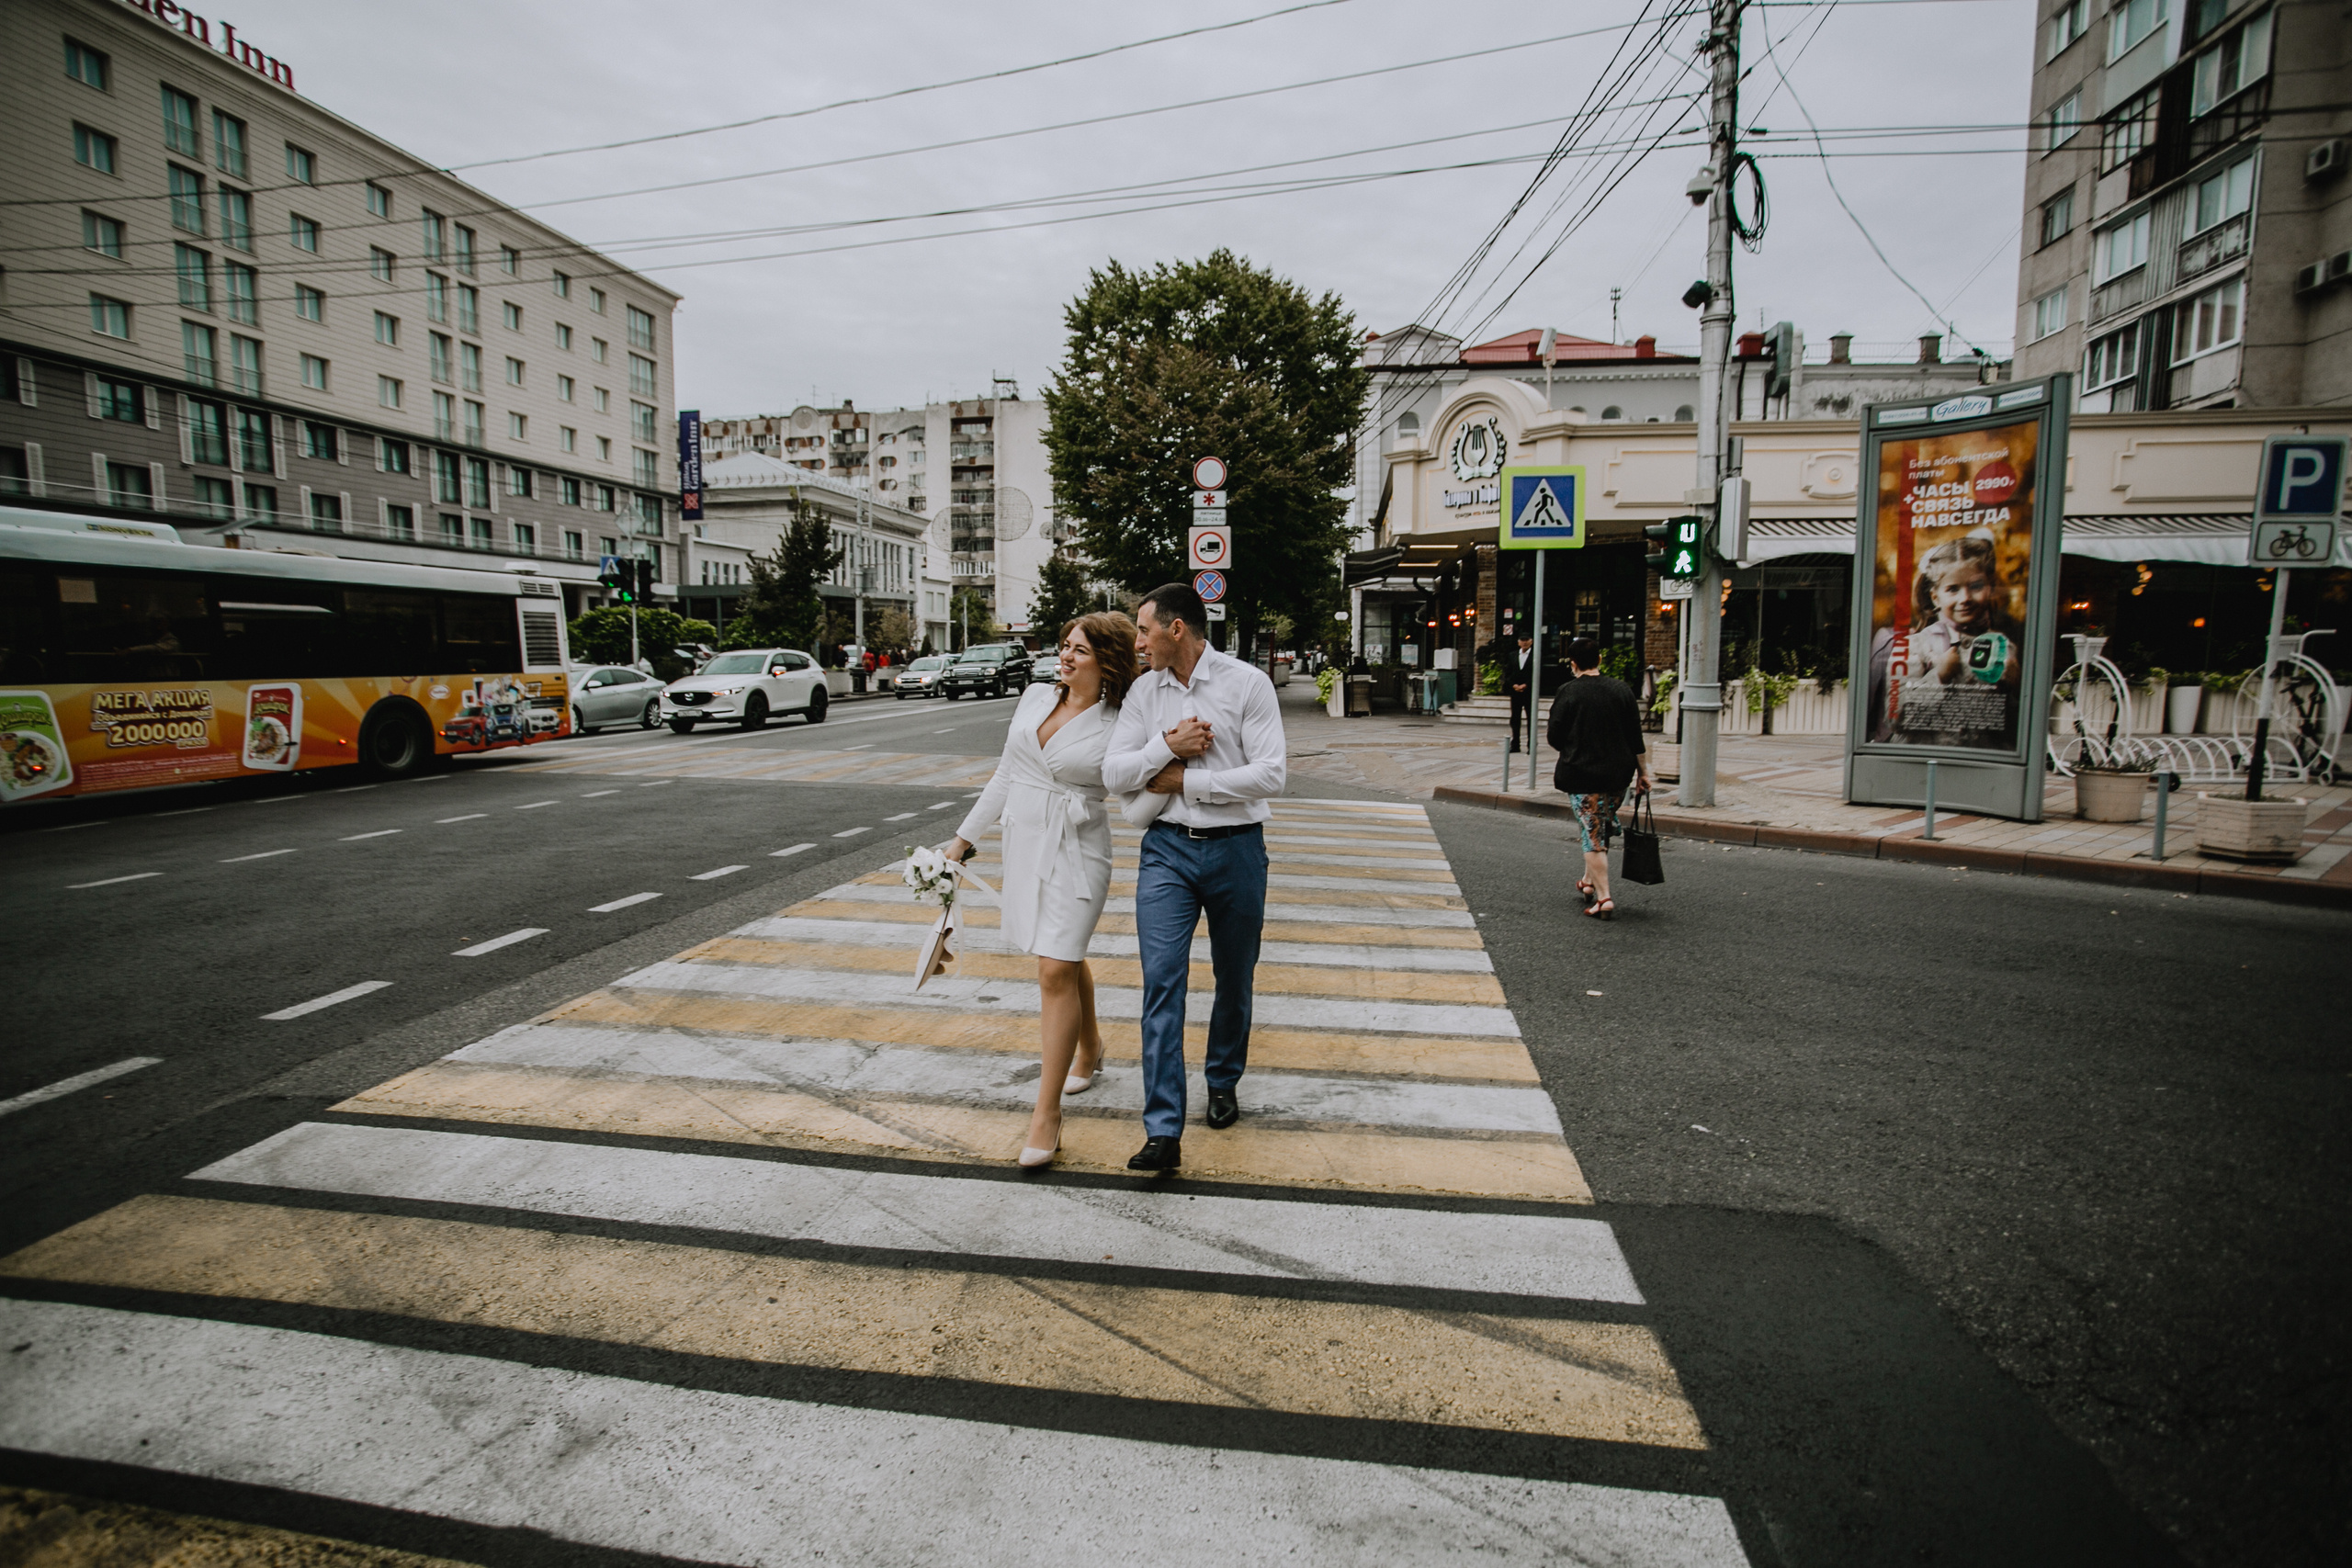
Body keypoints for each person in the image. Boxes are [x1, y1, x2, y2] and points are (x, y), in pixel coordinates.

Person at [1103, 582, 1285, 1173]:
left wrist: (1188, 781)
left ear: (1176, 629)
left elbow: (1270, 775)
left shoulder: (1246, 683)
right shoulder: (1142, 692)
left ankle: (1224, 1078)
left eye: (1143, 630)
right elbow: (1115, 772)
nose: (1138, 642)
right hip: (1167, 853)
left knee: (1235, 978)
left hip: (1237, 851)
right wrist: (1166, 745)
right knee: (1162, 983)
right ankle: (1162, 1131)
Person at [946, 612, 1139, 1168]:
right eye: (1064, 646)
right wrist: (962, 840)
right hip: (1026, 841)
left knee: (1054, 967)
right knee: (1061, 956)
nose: (1066, 656)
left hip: (1079, 849)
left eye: (1079, 649)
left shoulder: (1122, 719)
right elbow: (1006, 775)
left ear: (1107, 660)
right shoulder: (1033, 696)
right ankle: (1091, 1047)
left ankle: (1046, 1115)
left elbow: (1137, 777)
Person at [1547, 637, 1651, 921]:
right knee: (1597, 824)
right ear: (1600, 660)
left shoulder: (1568, 692)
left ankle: (1604, 898)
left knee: (1593, 836)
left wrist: (1573, 748)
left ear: (1573, 664)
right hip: (1619, 776)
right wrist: (1644, 773)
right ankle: (1588, 881)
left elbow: (1554, 737)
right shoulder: (1622, 690)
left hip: (1582, 775)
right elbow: (1636, 738)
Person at [1506, 628, 1537, 753]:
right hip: (1515, 692)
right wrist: (1513, 685)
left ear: (1531, 642)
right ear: (1518, 642)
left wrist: (1526, 685)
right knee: (1515, 719)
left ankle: (1531, 745)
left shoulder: (1535, 656)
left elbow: (1537, 674)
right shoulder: (1512, 655)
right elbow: (1507, 673)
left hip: (1529, 692)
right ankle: (1515, 745)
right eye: (1522, 640)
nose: (1524, 643)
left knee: (1531, 718)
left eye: (1527, 640)